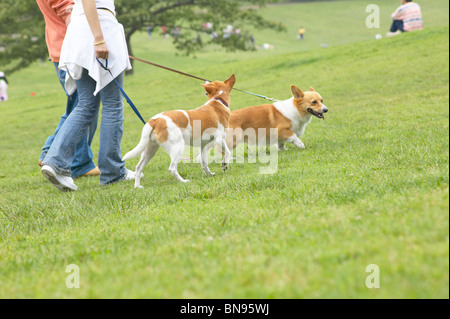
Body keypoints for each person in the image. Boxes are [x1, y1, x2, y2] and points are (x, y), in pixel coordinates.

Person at [41, 0, 139, 191]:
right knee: (112, 104)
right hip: (98, 26)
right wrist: (99, 38)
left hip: (80, 30)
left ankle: (55, 162)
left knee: (86, 105)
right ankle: (113, 172)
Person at [36, 0, 100, 178]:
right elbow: (69, 14)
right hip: (71, 52)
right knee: (85, 107)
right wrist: (96, 41)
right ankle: (80, 163)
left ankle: (50, 151)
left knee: (78, 106)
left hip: (61, 48)